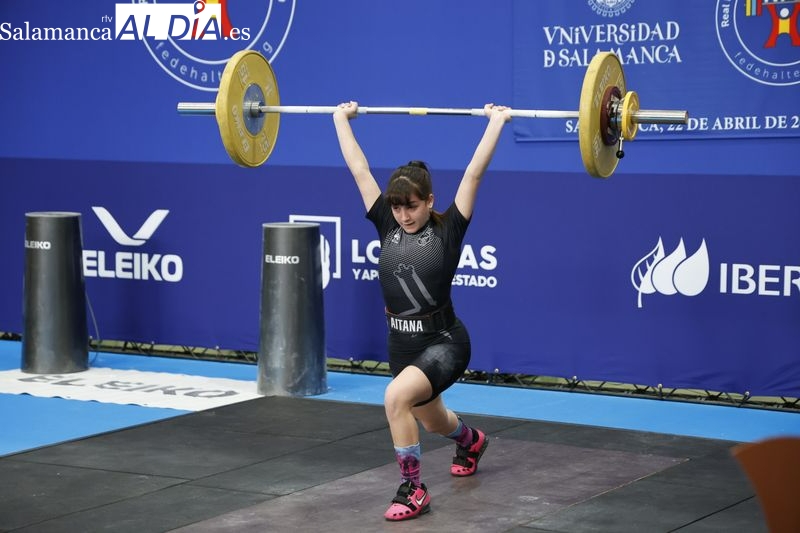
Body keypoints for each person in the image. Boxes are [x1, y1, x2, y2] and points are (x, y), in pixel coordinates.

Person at [333, 101, 512, 521]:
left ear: (429, 201)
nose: (403, 215)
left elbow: (473, 172)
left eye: (411, 206)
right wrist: (340, 120)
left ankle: (413, 489)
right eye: (397, 207)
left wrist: (497, 122)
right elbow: (360, 169)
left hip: (445, 341)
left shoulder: (449, 228)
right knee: (432, 421)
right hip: (402, 344)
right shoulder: (387, 225)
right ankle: (471, 440)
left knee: (395, 397)